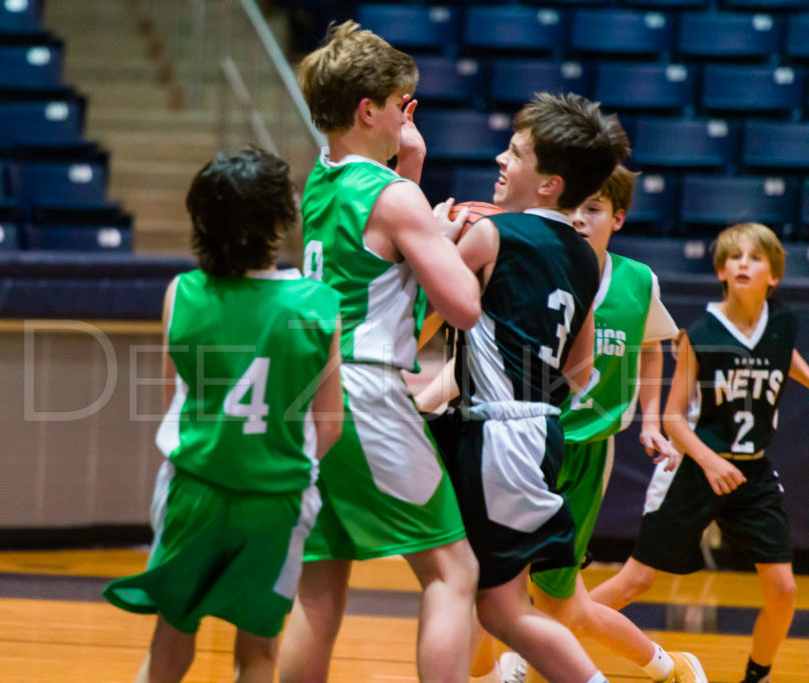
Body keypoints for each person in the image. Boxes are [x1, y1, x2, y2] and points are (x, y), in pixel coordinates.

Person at [278, 20, 483, 683]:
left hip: (311, 395)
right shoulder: (395, 200)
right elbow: (462, 306)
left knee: (318, 583)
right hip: (366, 390)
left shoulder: (320, 179)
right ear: (369, 109)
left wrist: (411, 165)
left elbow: (374, 255)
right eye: (399, 104)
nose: (406, 116)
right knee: (454, 570)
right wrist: (442, 233)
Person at [102, 147, 344, 683]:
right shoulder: (319, 303)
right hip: (276, 499)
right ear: (280, 220)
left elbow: (177, 401)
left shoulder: (182, 293)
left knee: (169, 646)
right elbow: (330, 425)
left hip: (195, 490)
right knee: (257, 654)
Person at [416, 91, 629, 683]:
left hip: (494, 436)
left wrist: (433, 236)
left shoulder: (495, 236)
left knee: (461, 590)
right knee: (501, 608)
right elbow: (580, 368)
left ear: (549, 184)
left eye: (515, 153)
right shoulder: (587, 259)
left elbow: (424, 318)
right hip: (540, 431)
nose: (501, 160)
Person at [481, 167, 706, 683]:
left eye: (595, 209)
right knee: (504, 588)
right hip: (525, 440)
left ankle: (666, 666)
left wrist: (651, 420)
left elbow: (653, 348)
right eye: (573, 207)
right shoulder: (541, 268)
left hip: (585, 452)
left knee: (560, 606)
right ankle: (662, 666)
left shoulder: (636, 280)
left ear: (618, 217)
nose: (580, 218)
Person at [590, 222, 809, 683]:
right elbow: (673, 418)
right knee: (636, 581)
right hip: (696, 468)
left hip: (752, 475)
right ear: (721, 271)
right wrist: (710, 460)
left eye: (755, 257)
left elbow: (785, 359)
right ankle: (539, 635)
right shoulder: (701, 332)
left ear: (773, 275)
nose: (743, 264)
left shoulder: (783, 324)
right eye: (734, 257)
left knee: (784, 588)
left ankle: (758, 674)